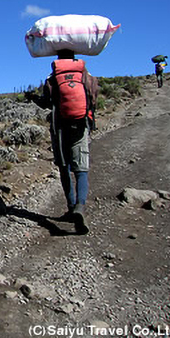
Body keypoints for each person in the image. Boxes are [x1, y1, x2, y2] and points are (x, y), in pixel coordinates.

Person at [27, 49, 99, 235]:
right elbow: (93, 97)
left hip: (60, 128)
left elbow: (46, 103)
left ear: (58, 59)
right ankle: (80, 207)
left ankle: (70, 206)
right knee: (81, 169)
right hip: (80, 125)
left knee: (64, 167)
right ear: (74, 57)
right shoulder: (85, 75)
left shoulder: (53, 78)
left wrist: (33, 98)